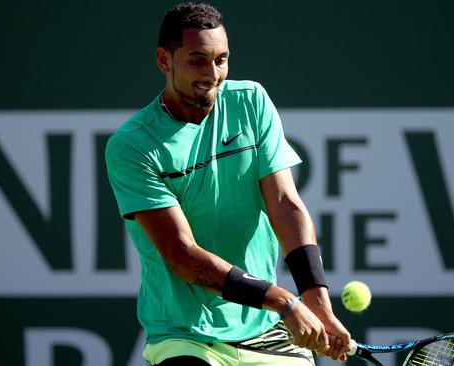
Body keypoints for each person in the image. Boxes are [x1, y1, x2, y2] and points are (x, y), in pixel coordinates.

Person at [105, 2, 351, 365]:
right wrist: (283, 301)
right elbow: (182, 255)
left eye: (222, 59)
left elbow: (285, 204)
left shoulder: (250, 102)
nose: (213, 73)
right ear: (164, 60)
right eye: (198, 60)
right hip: (186, 334)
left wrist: (316, 299)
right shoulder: (133, 145)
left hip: (266, 331)